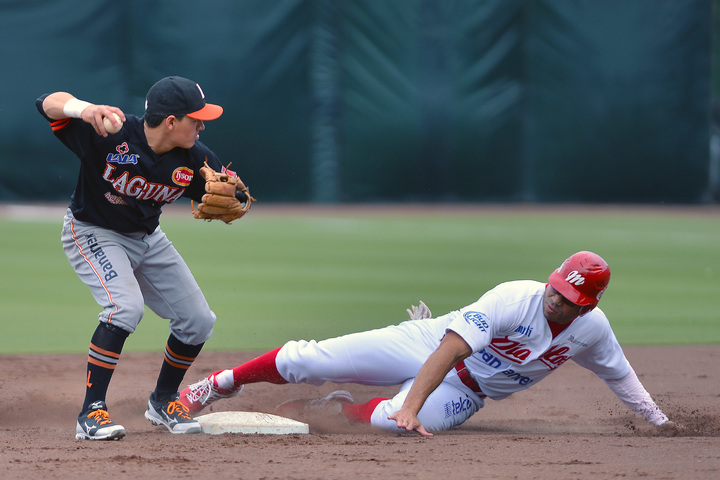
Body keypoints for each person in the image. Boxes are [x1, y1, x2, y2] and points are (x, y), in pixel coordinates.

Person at [178, 251, 680, 436]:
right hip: (430, 343)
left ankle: (334, 408)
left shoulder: (591, 331)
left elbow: (620, 376)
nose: (556, 299)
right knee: (309, 357)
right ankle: (219, 384)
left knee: (389, 424)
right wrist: (413, 402)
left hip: (468, 390)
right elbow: (449, 350)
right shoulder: (515, 297)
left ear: (587, 304)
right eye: (556, 287)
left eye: (569, 298)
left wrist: (658, 422)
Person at [36, 76, 253, 440]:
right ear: (171, 121)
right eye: (195, 118)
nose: (202, 125)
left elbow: (236, 192)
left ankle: (163, 400)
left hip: (147, 239)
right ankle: (91, 412)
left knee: (198, 321)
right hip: (92, 231)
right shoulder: (108, 134)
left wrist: (238, 199)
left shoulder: (196, 158)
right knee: (124, 309)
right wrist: (85, 109)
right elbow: (46, 102)